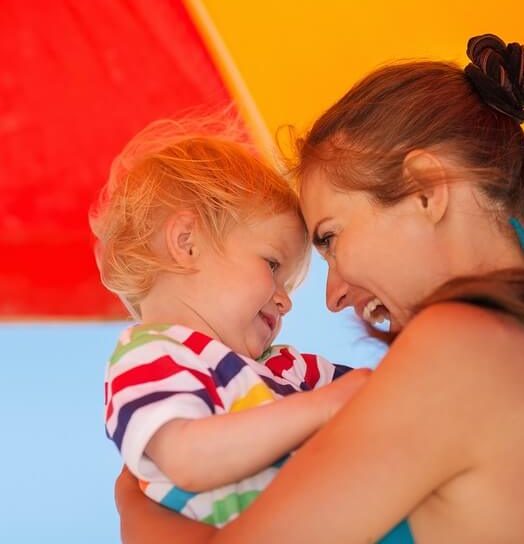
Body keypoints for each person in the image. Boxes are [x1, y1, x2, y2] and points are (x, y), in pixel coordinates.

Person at [115, 34, 524, 542]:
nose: (332, 296)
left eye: (330, 237)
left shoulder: (460, 346)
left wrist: (132, 506)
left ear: (426, 191)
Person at [91, 116, 371, 527]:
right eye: (273, 265)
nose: (284, 301)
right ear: (187, 242)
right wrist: (322, 407)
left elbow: (383, 394)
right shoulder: (150, 356)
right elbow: (189, 459)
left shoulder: (288, 368)